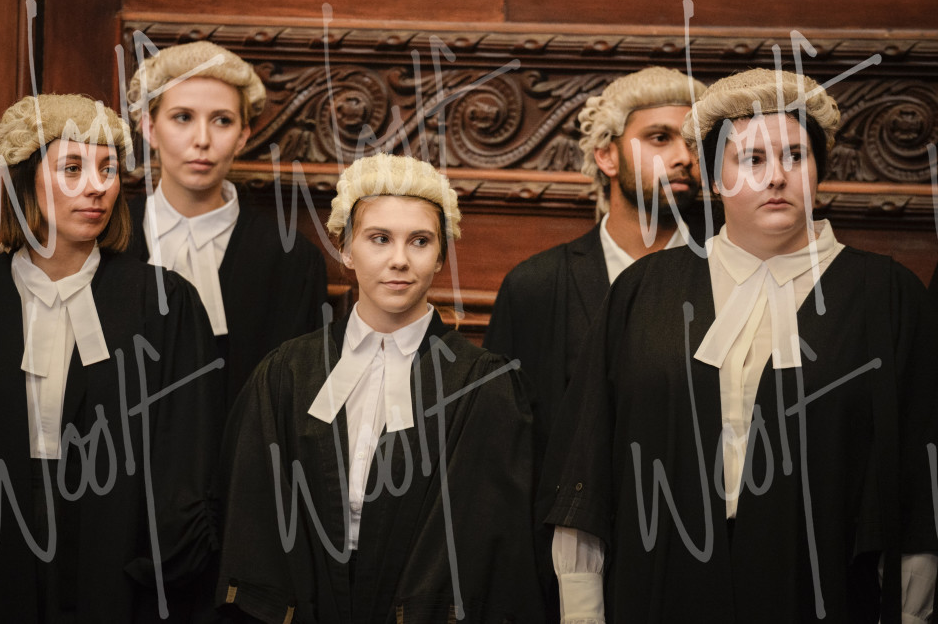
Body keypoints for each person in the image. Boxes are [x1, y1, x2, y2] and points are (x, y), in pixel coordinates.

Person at [542, 68, 938, 623]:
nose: (777, 176)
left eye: (796, 156)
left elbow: (917, 487)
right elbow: (588, 465)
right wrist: (582, 612)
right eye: (751, 159)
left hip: (822, 587)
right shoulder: (644, 289)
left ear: (820, 169)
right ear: (713, 178)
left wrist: (912, 613)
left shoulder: (888, 295)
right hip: (660, 582)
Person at [0, 95, 224, 622]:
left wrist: (154, 569)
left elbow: (188, 456)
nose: (96, 186)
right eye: (73, 168)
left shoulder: (163, 303)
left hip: (115, 552)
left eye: (107, 169)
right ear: (26, 180)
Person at [216, 153, 546, 622]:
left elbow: (489, 541)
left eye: (420, 241)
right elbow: (252, 519)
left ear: (441, 256)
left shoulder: (484, 385)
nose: (399, 260)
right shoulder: (287, 372)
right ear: (346, 249)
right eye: (379, 238)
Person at [484, 66, 710, 436]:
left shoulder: (729, 270)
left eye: (693, 143)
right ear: (607, 156)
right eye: (659, 138)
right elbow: (501, 435)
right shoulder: (535, 286)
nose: (684, 157)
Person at [126, 40, 328, 409]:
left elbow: (296, 400)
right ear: (150, 128)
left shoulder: (291, 260)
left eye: (222, 120)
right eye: (182, 117)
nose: (202, 140)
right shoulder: (108, 241)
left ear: (242, 137)